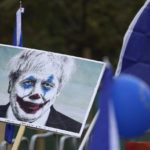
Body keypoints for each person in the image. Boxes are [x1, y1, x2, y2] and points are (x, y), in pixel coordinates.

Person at [0, 49, 81, 133]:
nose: (36, 93)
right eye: (28, 82)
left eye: (47, 85)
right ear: (11, 84)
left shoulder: (74, 128)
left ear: (58, 91)